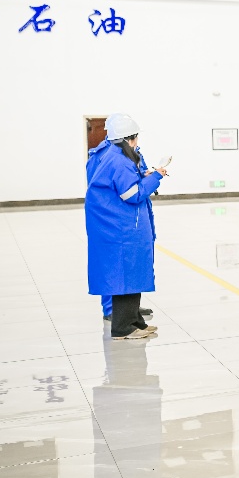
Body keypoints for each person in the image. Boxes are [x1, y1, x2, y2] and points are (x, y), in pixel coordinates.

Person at [86, 113, 166, 340]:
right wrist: (156, 177)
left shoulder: (115, 155)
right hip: (121, 229)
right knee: (125, 275)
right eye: (135, 137)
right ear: (128, 139)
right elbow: (132, 194)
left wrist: (145, 175)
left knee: (132, 273)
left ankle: (135, 322)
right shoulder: (119, 160)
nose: (136, 142)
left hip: (123, 226)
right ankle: (123, 328)